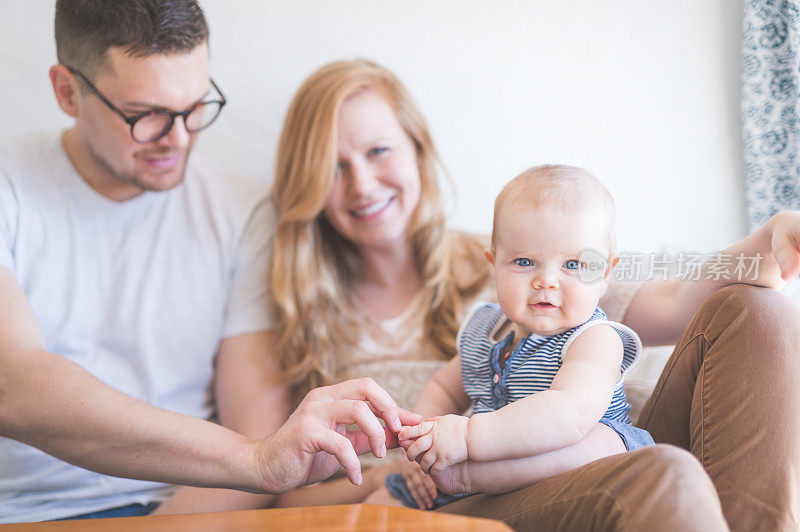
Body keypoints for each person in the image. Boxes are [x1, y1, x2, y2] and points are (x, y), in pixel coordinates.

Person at [265, 58, 800, 531]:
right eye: (334, 167)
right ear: (497, 266)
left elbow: (684, 303)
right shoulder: (301, 307)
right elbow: (282, 487)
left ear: (418, 150)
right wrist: (413, 463)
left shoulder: (542, 242)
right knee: (665, 473)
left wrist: (767, 242)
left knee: (755, 309)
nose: (361, 184)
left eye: (378, 150)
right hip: (451, 496)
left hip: (595, 450)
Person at [0, 1, 420, 522]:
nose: (179, 138)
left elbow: (256, 436)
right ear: (66, 91)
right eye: (144, 114)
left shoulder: (243, 213)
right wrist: (258, 459)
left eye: (195, 106)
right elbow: (12, 384)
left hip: (188, 513)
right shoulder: (9, 187)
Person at [369, 164, 655, 510]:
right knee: (382, 501)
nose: (546, 281)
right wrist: (423, 442)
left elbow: (568, 416)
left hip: (571, 471)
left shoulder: (595, 339)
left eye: (573, 265)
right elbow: (443, 389)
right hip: (488, 474)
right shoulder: (484, 333)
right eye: (524, 262)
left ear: (606, 274)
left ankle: (467, 479)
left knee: (603, 442)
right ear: (495, 265)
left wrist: (467, 437)